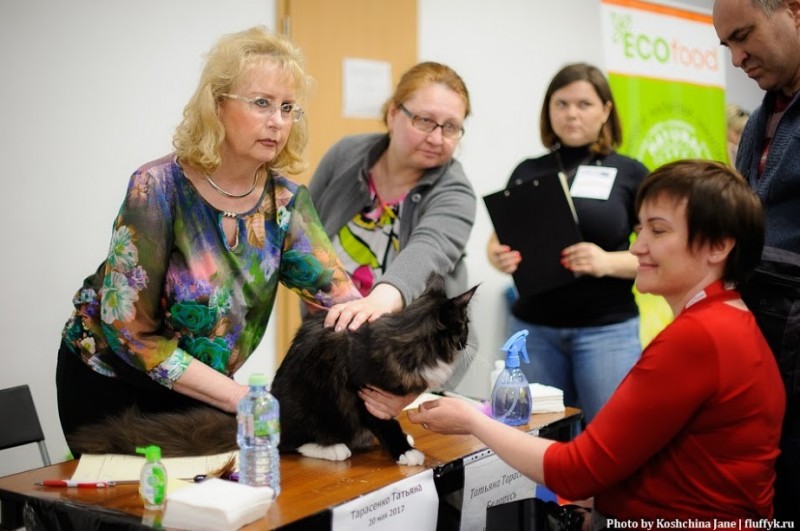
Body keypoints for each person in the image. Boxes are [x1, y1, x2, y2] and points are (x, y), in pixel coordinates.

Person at [56, 26, 387, 454]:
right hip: (112, 385)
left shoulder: (285, 204)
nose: (277, 121)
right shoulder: (157, 188)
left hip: (205, 391)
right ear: (217, 105)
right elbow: (132, 334)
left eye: (288, 108)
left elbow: (342, 307)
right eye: (262, 103)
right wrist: (245, 399)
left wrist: (395, 370)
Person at [411, 160, 785, 522]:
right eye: (640, 230)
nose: (637, 247)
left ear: (718, 247)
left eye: (658, 231)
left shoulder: (698, 336)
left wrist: (473, 422)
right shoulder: (727, 317)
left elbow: (574, 471)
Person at [486, 63, 648, 424]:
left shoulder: (630, 172)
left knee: (610, 437)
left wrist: (606, 261)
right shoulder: (528, 169)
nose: (571, 113)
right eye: (561, 104)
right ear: (548, 111)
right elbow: (499, 238)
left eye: (584, 104)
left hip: (606, 331)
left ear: (606, 110)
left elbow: (662, 255)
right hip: (534, 330)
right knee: (534, 437)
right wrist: (497, 255)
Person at [308, 61, 477, 401]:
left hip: (409, 372)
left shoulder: (456, 191)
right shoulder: (346, 155)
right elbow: (305, 232)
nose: (437, 138)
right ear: (392, 114)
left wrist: (382, 299)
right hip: (333, 352)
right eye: (425, 121)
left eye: (451, 127)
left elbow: (429, 248)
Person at [713, 0, 800, 523]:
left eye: (744, 36)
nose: (738, 58)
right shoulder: (762, 118)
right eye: (728, 46)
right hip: (758, 331)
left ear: (793, 10)